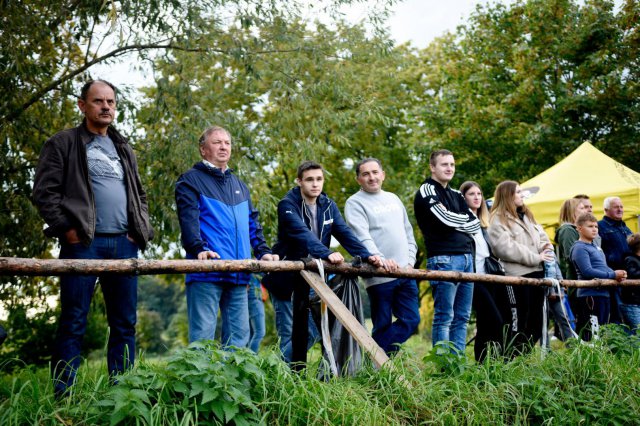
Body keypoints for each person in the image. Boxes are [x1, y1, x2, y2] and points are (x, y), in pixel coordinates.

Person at [32, 79, 154, 397]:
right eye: (98, 101)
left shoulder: (123, 147)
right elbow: (44, 193)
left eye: (111, 102)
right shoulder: (63, 143)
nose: (106, 107)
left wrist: (139, 229)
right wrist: (67, 230)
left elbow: (139, 194)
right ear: (82, 105)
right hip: (83, 243)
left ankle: (123, 393)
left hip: (124, 243)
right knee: (74, 320)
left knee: (125, 323)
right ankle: (64, 395)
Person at [266, 161, 383, 370]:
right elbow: (303, 234)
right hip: (286, 280)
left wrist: (367, 255)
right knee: (290, 334)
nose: (315, 184)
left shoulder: (328, 205)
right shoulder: (287, 205)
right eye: (309, 179)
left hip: (314, 278)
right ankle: (275, 376)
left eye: (319, 179)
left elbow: (344, 233)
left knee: (311, 331)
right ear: (299, 181)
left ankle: (292, 376)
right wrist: (327, 253)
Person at [175, 125, 278, 347]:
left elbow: (252, 223)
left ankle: (232, 383)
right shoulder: (190, 180)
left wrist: (263, 251)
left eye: (227, 143)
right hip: (206, 272)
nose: (223, 146)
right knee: (202, 339)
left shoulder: (239, 185)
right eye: (217, 142)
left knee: (239, 340)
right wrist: (198, 248)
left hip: (239, 273)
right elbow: (188, 220)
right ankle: (200, 381)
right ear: (203, 149)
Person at [344, 158, 420, 355]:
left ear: (383, 175)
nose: (372, 177)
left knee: (411, 320)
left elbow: (407, 232)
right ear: (358, 179)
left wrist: (410, 262)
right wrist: (380, 259)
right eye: (366, 174)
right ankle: (380, 370)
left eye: (375, 172)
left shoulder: (393, 198)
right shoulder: (354, 202)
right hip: (379, 274)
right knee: (382, 324)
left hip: (405, 273)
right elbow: (362, 236)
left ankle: (373, 359)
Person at [414, 150, 480, 354]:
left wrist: (455, 220)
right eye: (444, 165)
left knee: (462, 317)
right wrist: (459, 220)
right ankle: (443, 364)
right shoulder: (427, 190)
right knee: (444, 317)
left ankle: (457, 363)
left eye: (452, 164)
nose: (449, 168)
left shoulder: (457, 195)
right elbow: (445, 219)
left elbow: (475, 224)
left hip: (468, 258)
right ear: (432, 167)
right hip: (444, 259)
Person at [487, 180, 553, 357]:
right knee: (518, 321)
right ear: (507, 195)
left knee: (537, 323)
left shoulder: (527, 215)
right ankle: (509, 360)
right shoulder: (496, 219)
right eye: (518, 192)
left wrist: (546, 249)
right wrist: (535, 257)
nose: (522, 195)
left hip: (538, 274)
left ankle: (520, 358)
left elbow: (542, 238)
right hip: (516, 277)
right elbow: (506, 248)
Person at [460, 181, 509, 362]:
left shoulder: (483, 223)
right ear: (463, 197)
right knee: (493, 320)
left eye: (479, 194)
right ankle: (487, 362)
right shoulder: (462, 220)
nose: (477, 198)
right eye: (472, 194)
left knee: (488, 323)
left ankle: (489, 365)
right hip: (473, 277)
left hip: (491, 276)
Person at [570, 213, 626, 341]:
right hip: (590, 294)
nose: (594, 229)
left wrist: (618, 274)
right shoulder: (579, 248)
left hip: (603, 293)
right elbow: (587, 271)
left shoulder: (596, 247)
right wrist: (613, 275)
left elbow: (602, 267)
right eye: (590, 226)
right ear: (579, 228)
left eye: (596, 226)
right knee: (592, 332)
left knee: (602, 329)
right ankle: (590, 358)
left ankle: (600, 358)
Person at [598, 196, 632, 324]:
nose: (620, 209)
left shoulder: (625, 227)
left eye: (621, 206)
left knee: (629, 313)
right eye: (616, 207)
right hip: (612, 277)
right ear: (606, 209)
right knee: (616, 315)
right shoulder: (599, 226)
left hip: (629, 277)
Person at [623, 234, 640, 334]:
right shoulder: (630, 259)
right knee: (637, 331)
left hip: (637, 301)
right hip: (632, 302)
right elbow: (632, 273)